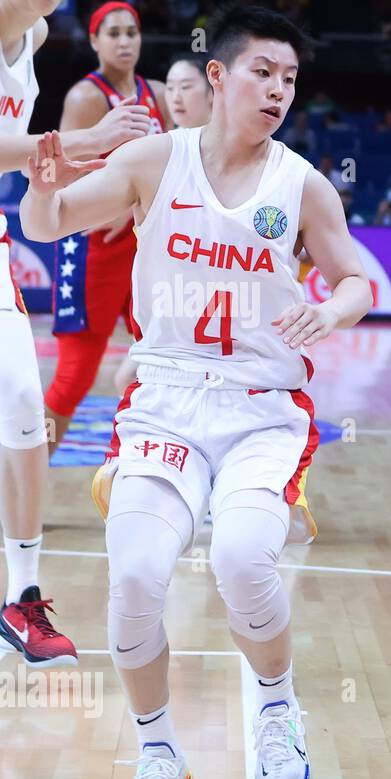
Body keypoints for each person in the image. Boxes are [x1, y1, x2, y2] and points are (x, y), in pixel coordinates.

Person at [19, 4, 371, 779]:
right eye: (263, 72)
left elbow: (355, 277)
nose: (279, 89)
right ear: (218, 77)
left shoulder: (302, 184)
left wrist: (334, 311)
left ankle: (278, 710)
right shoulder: (153, 160)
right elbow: (51, 222)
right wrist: (41, 184)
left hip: (260, 408)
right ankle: (158, 755)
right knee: (136, 576)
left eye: (290, 78)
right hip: (166, 405)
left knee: (244, 560)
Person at [0, 0, 151, 668]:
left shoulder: (30, 34)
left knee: (27, 406)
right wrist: (84, 144)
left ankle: (21, 597)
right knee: (66, 377)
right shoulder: (85, 92)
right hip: (82, 251)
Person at [44, 1, 169, 452]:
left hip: (146, 246)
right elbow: (60, 177)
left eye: (131, 32)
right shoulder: (85, 97)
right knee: (73, 378)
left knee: (167, 361)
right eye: (113, 33)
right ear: (94, 41)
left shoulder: (157, 92)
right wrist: (115, 204)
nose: (124, 41)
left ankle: (151, 470)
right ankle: (19, 490)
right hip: (92, 247)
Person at [113, 52, 214, 397]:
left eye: (186, 86)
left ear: (214, 89)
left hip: (216, 299)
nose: (176, 96)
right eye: (170, 88)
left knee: (130, 378)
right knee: (127, 379)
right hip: (164, 297)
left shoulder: (232, 152)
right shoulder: (157, 152)